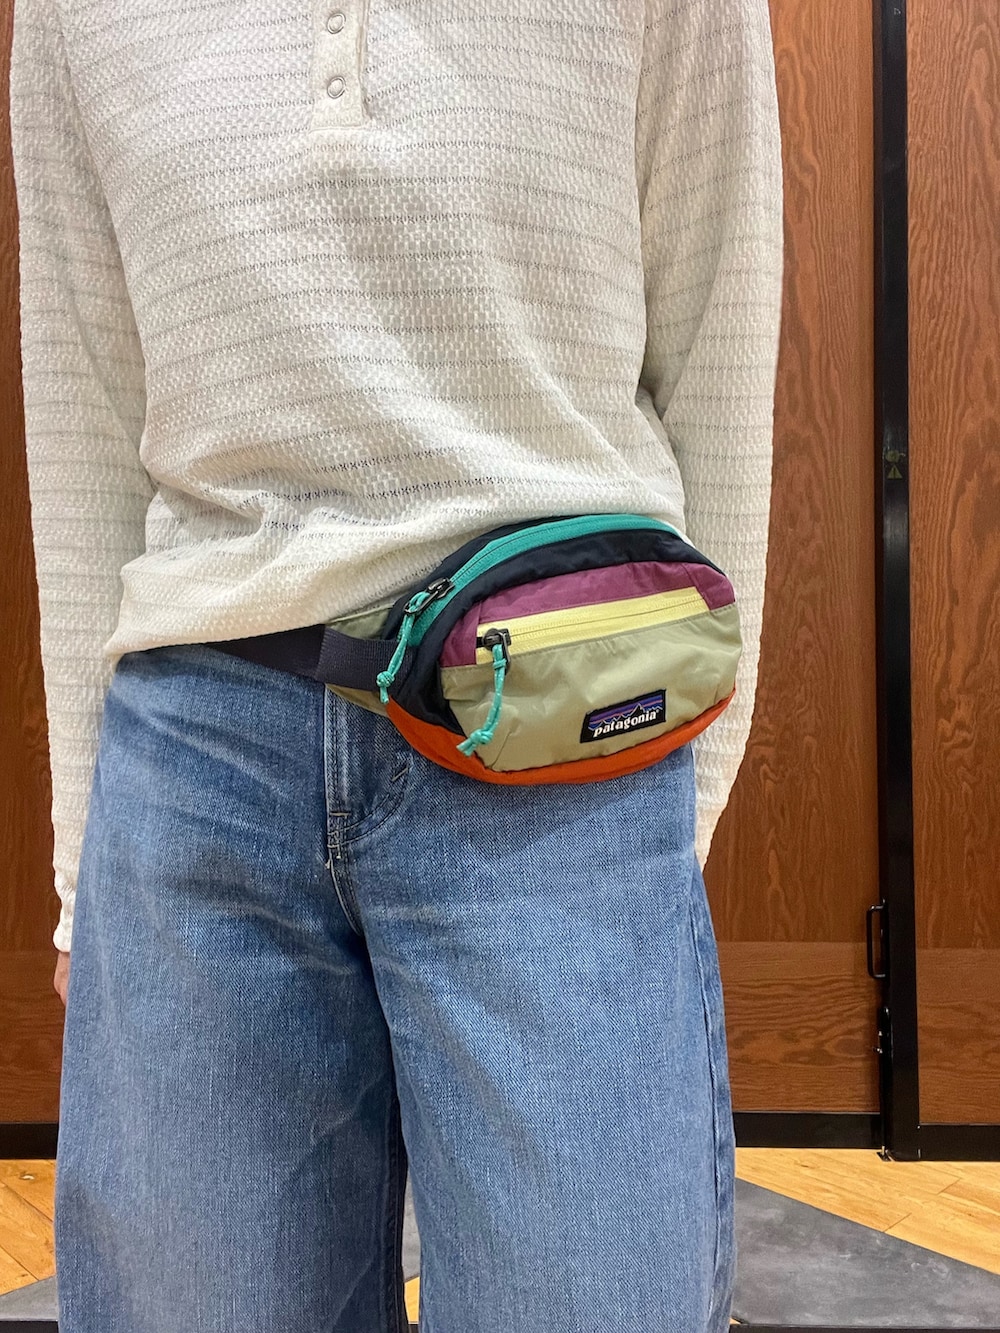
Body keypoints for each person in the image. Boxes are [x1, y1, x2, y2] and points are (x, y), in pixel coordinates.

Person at [9, 0, 784, 1329]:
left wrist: (676, 804)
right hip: (194, 758)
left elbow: (720, 345)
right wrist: (88, 869)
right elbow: (83, 400)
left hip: (558, 750)